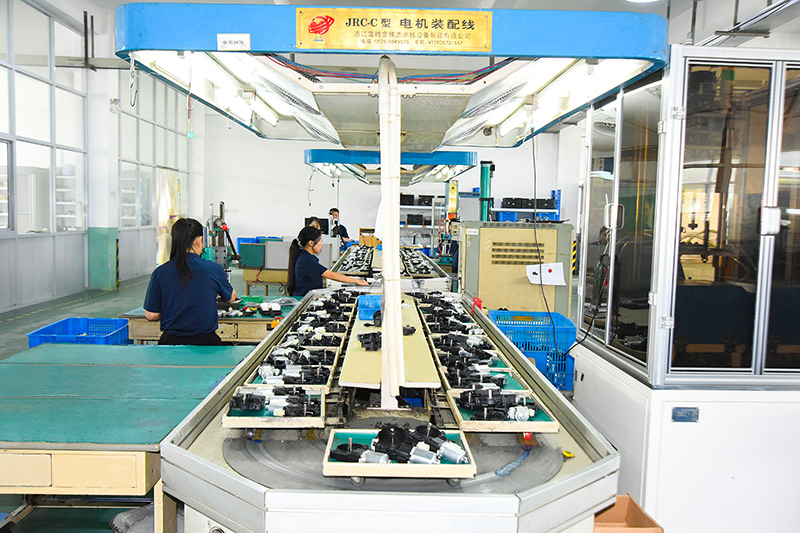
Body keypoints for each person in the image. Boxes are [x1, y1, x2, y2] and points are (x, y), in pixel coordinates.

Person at [144, 218, 237, 345]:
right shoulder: (213, 269)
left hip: (170, 344)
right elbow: (230, 297)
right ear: (199, 240)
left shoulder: (160, 272)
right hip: (205, 344)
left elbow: (151, 315)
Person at [287, 225, 368, 296]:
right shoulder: (306, 260)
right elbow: (331, 275)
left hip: (307, 295)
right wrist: (357, 281)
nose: (321, 244)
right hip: (303, 298)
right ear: (311, 243)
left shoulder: (306, 256)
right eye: (320, 241)